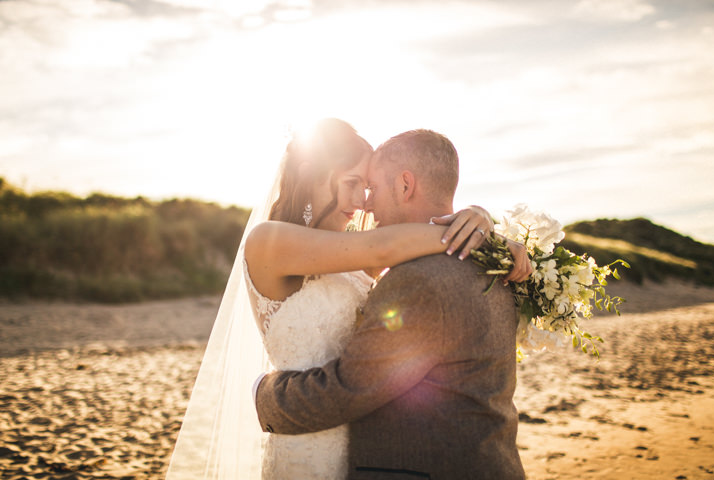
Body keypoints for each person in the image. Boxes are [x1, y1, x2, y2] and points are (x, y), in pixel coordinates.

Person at [166, 119, 530, 479]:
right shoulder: (269, 241)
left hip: (360, 444)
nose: (364, 203)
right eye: (353, 184)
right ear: (312, 174)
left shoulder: (352, 254)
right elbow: (382, 247)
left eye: (369, 187)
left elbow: (392, 248)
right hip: (308, 440)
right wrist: (481, 237)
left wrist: (480, 221)